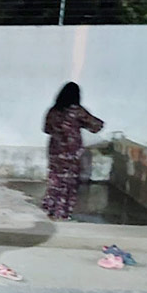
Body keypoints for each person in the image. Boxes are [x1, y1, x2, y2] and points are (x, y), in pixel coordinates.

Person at [42, 82, 103, 220]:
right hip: (71, 151)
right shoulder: (77, 111)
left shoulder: (53, 111)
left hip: (54, 150)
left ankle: (49, 208)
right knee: (68, 182)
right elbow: (96, 126)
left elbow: (46, 129)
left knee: (54, 178)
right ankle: (62, 212)